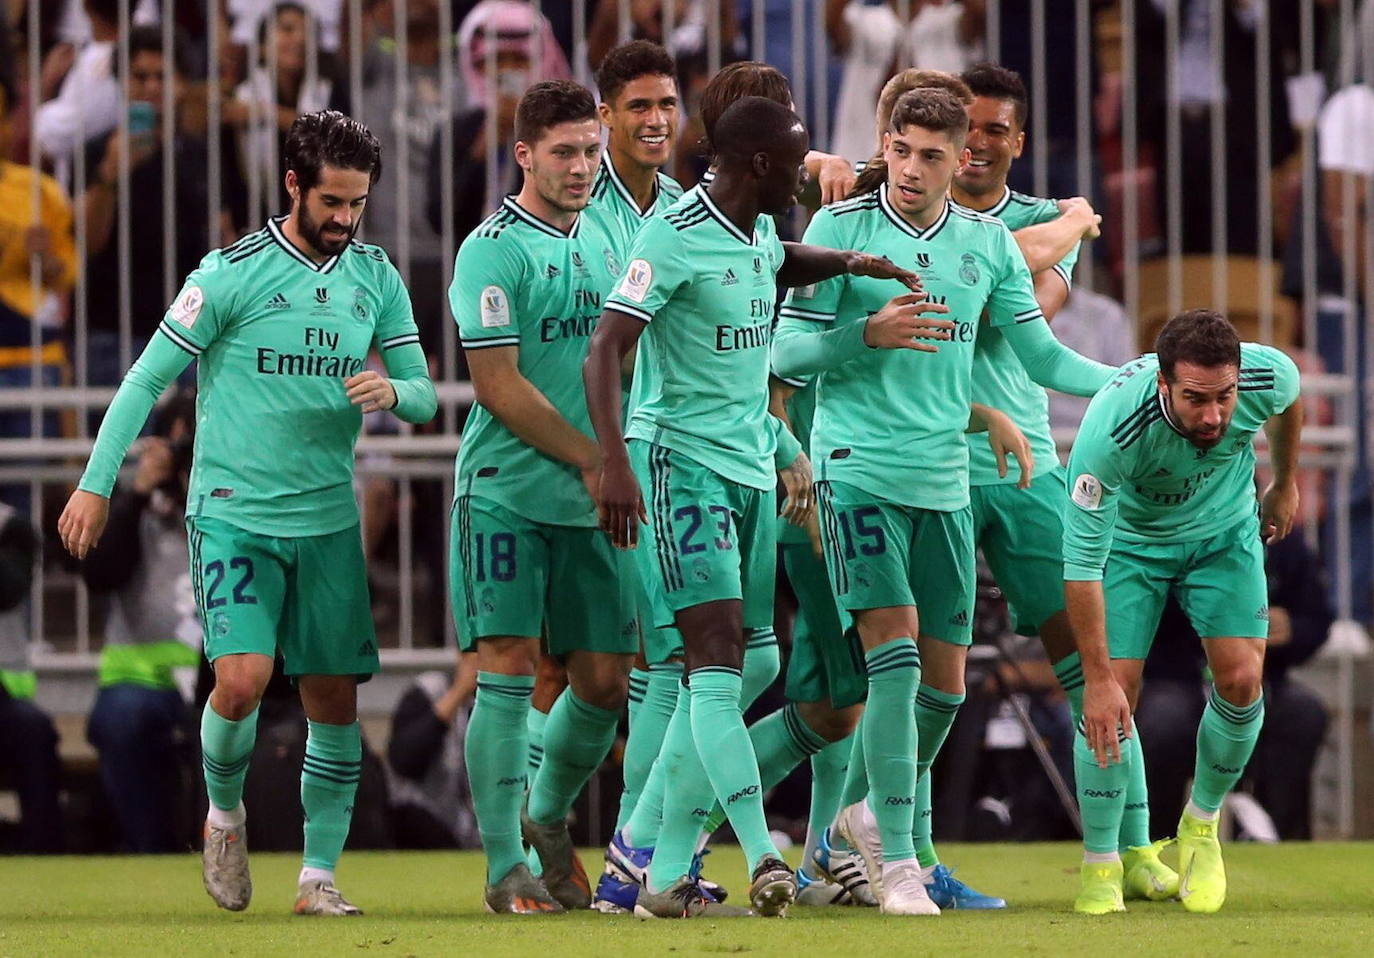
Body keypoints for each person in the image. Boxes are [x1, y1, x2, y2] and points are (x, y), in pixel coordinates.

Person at [58, 110, 437, 916]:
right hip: (232, 509)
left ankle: (317, 876)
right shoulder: (227, 274)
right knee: (241, 681)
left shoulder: (376, 277)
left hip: (328, 518)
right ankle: (224, 814)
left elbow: (427, 394)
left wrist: (394, 391)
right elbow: (143, 380)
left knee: (334, 698)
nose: (344, 219)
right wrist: (96, 483)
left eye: (358, 203)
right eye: (332, 201)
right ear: (294, 185)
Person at [770, 85, 1113, 916]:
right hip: (855, 473)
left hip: (944, 483)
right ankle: (897, 871)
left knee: (945, 690)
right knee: (892, 660)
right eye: (902, 149)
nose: (914, 169)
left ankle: (859, 817)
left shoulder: (985, 245)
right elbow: (781, 349)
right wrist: (864, 333)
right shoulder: (837, 230)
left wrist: (1142, 384)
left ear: (962, 160)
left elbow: (1042, 356)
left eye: (933, 155)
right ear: (884, 144)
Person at [584, 94, 920, 918]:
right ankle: (759, 849)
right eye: (797, 160)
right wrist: (614, 464)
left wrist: (849, 263)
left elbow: (778, 258)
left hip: (749, 468)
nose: (806, 175)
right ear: (760, 165)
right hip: (680, 466)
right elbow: (604, 350)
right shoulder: (670, 236)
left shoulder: (759, 230)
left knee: (748, 658)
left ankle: (658, 873)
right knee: (715, 655)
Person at [449, 80, 636, 915]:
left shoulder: (606, 237)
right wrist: (594, 458)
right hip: (507, 492)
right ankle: (503, 865)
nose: (582, 167)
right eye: (564, 152)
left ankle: (546, 814)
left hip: (593, 497)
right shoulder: (490, 250)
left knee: (603, 683)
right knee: (508, 672)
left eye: (591, 151)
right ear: (523, 154)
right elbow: (497, 385)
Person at [1064, 310, 1302, 915]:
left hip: (1223, 536)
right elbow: (1081, 568)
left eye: (1224, 397)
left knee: (1244, 679)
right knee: (1113, 693)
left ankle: (1201, 825)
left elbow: (1289, 396)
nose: (1215, 416)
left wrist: (1285, 481)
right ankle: (1100, 865)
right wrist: (1092, 680)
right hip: (1131, 549)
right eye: (1196, 400)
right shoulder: (1110, 432)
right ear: (1163, 384)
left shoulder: (1261, 375)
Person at [1134, 531, 1333, 841]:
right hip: (1178, 677)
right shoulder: (1164, 526)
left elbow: (1316, 619)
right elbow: (1137, 614)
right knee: (1163, 722)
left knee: (1303, 713)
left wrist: (1292, 629)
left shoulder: (1279, 534)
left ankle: (1281, 840)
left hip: (1263, 677)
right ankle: (1155, 840)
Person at [80, 389, 202, 853]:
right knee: (125, 721)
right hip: (138, 679)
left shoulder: (235, 495)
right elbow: (99, 575)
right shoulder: (131, 505)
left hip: (219, 677)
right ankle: (146, 851)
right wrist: (136, 494)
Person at [80, 25, 213, 388]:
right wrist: (109, 175)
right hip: (113, 331)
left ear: (182, 84)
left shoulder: (203, 157)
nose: (152, 87)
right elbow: (86, 243)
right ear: (122, 82)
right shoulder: (96, 151)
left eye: (162, 76)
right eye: (140, 77)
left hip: (187, 333)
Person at [0, 82, 77, 515]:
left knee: (21, 507)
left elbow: (67, 275)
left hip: (28, 363)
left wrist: (45, 258)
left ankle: (23, 585)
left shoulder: (40, 192)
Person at [0, 501, 60, 853]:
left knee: (35, 732)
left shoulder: (13, 526)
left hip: (7, 695)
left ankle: (45, 853)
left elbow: (8, 591)